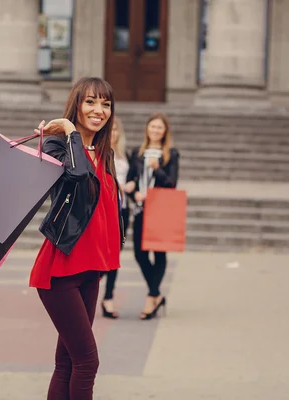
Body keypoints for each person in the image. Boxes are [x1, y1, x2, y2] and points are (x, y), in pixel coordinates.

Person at [29, 77, 125, 400]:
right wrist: (70, 133)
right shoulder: (57, 145)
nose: (99, 110)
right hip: (59, 271)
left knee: (68, 361)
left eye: (106, 104)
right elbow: (76, 176)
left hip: (89, 269)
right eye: (90, 102)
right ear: (76, 105)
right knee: (87, 361)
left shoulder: (103, 152)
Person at [126, 113, 179, 320]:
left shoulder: (171, 154)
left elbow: (172, 183)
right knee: (139, 254)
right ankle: (157, 293)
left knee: (159, 253)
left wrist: (157, 170)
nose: (155, 130)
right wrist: (132, 193)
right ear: (147, 129)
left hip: (161, 210)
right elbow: (130, 180)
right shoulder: (137, 153)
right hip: (141, 209)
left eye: (160, 127)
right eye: (152, 127)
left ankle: (151, 297)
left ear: (165, 132)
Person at [101, 116, 134, 319]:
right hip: (104, 210)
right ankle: (84, 283)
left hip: (122, 210)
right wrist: (120, 186)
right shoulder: (100, 153)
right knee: (103, 254)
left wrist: (132, 187)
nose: (113, 133)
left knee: (115, 256)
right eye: (110, 130)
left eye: (116, 130)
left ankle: (108, 297)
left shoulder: (125, 155)